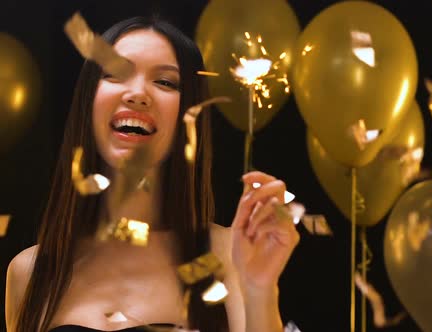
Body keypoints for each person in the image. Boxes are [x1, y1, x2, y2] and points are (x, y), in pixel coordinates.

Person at [5, 16, 300, 332]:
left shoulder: (227, 256)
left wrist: (260, 290)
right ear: (87, 99)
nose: (137, 93)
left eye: (165, 82)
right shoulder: (31, 272)